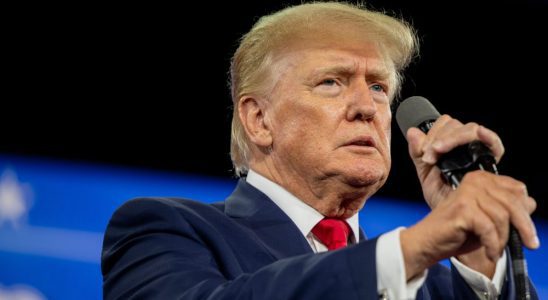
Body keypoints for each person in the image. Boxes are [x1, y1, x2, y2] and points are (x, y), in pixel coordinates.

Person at [101, 2, 539, 299]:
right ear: (259, 119)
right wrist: (410, 249)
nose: (367, 107)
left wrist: (481, 258)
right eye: (332, 82)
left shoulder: (439, 286)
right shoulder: (166, 230)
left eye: (379, 87)